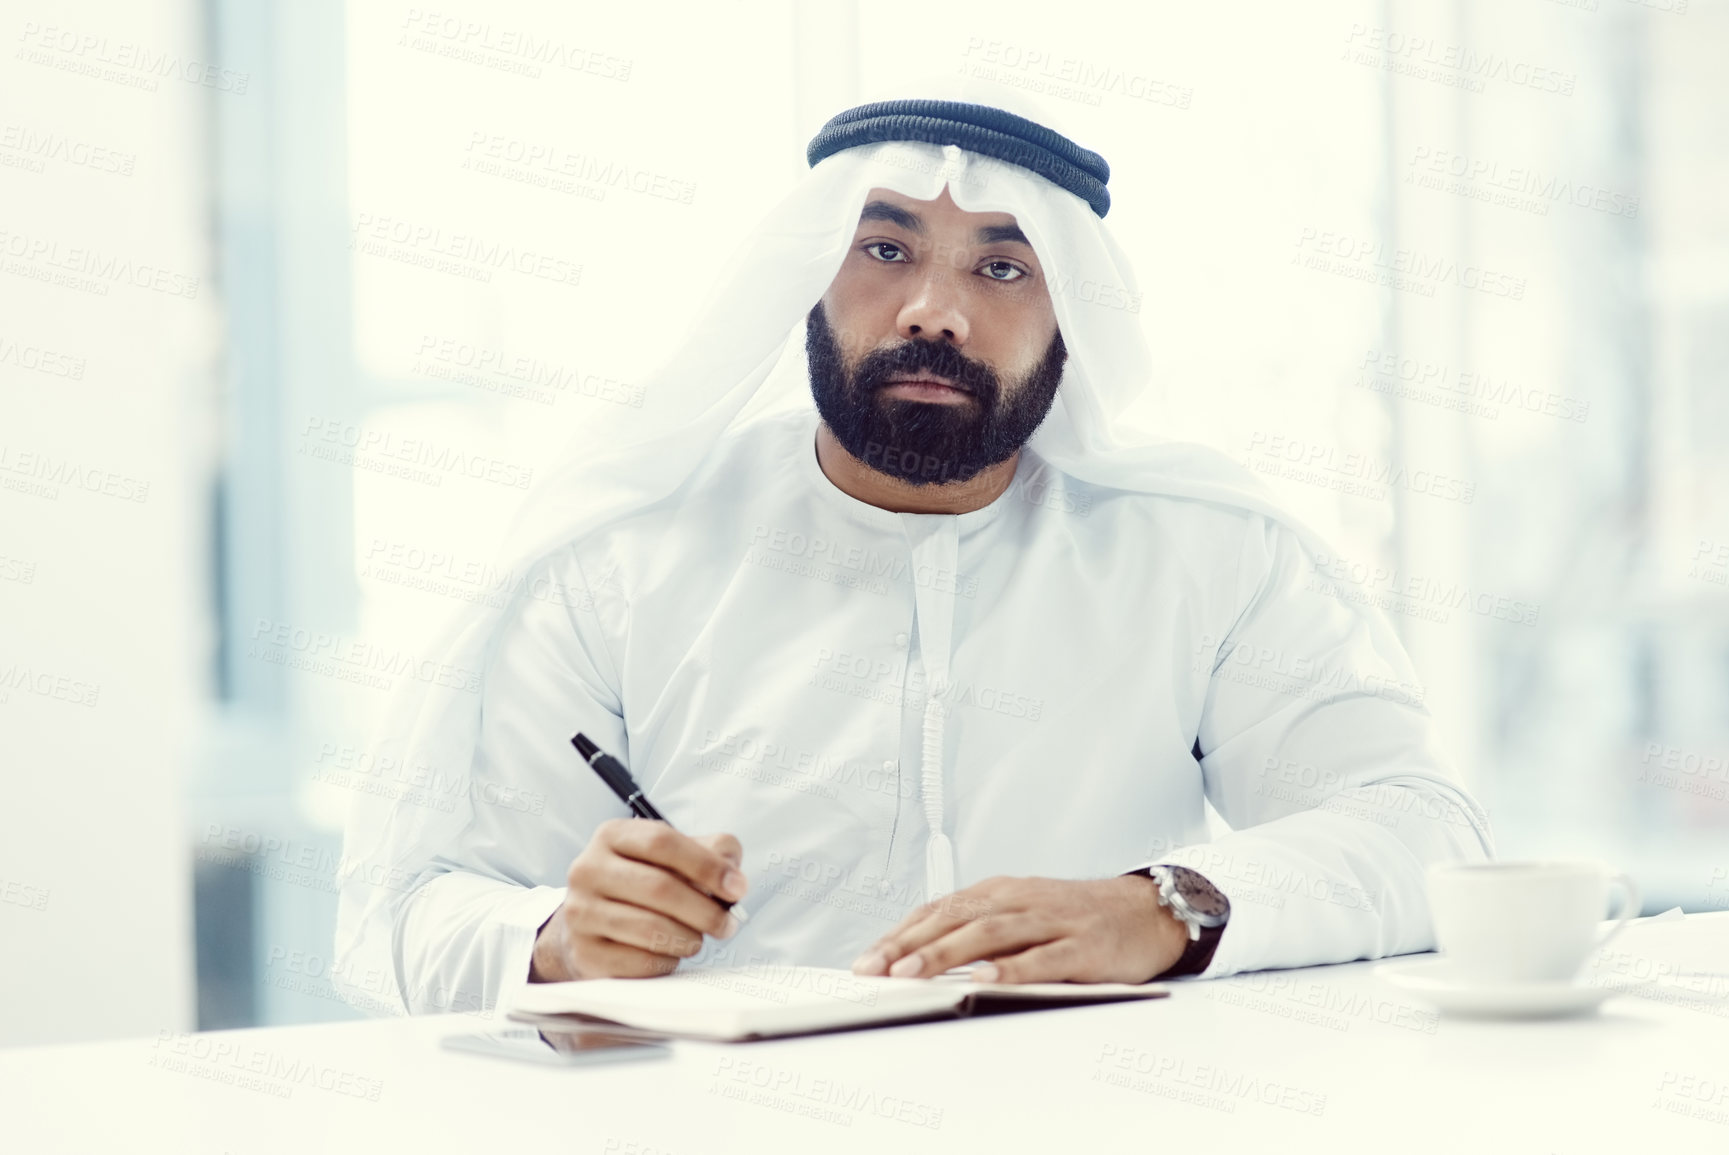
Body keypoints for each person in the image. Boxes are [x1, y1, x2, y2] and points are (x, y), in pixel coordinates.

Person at [334, 81, 1494, 1017]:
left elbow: (1423, 834)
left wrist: (1164, 908)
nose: (933, 311)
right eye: (885, 251)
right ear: (809, 276)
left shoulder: (1210, 556)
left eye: (1001, 268)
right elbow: (422, 911)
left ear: (1071, 321)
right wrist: (555, 942)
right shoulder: (619, 560)